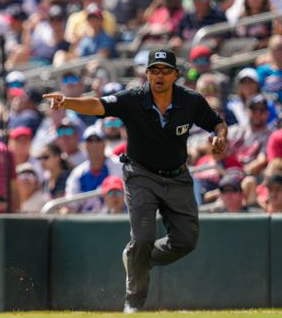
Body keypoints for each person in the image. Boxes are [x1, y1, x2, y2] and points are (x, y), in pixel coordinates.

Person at [43, 48, 227, 313]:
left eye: (165, 71)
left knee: (186, 241)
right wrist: (68, 101)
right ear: (147, 74)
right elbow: (98, 105)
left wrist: (221, 137)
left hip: (177, 176)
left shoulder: (191, 101)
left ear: (175, 74)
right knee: (142, 238)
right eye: (154, 71)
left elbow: (217, 123)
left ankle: (136, 259)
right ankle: (134, 301)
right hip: (141, 174)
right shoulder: (133, 99)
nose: (159, 76)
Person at [65, 126, 123, 212]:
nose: (94, 144)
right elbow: (70, 206)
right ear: (84, 145)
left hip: (114, 218)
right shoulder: (78, 173)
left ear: (105, 143)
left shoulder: (119, 165)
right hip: (85, 221)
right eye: (90, 141)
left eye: (98, 140)